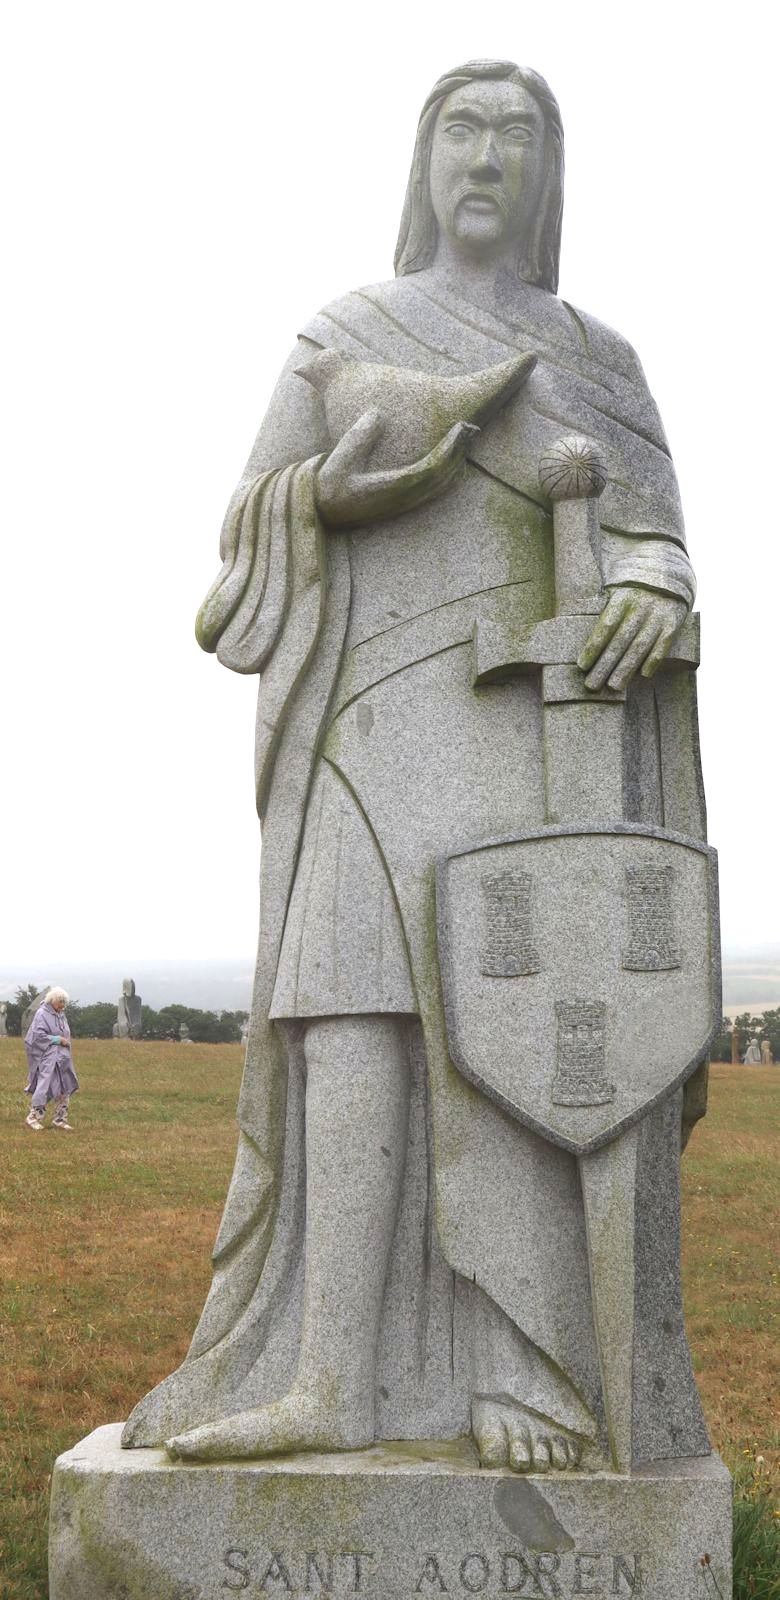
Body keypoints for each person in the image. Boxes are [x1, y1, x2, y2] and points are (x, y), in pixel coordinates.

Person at [124, 59, 710, 1472]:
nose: (487, 155)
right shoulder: (345, 332)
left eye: (515, 134)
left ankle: (527, 1370)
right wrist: (337, 486)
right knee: (345, 1015)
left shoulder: (601, 359)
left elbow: (657, 541)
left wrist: (656, 584)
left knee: (507, 1021)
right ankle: (329, 1377)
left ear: (548, 171)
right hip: (365, 720)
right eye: (463, 128)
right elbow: (247, 527)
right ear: (425, 159)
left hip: (528, 737)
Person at [24, 987, 79, 1131]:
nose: (62, 1005)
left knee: (64, 1086)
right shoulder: (42, 1013)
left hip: (62, 1058)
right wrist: (57, 1040)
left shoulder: (61, 1014)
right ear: (52, 1000)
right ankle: (33, 1117)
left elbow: (65, 1033)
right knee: (45, 1087)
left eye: (64, 1002)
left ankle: (60, 1119)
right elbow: (37, 1036)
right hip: (48, 1058)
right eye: (60, 1001)